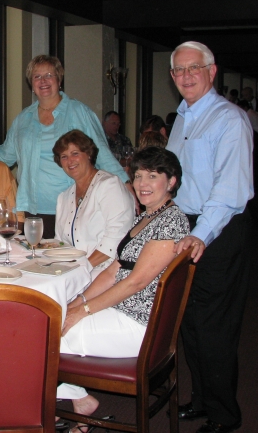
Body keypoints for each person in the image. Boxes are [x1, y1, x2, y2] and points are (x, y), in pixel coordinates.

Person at [57, 147, 189, 433]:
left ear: (171, 182)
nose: (142, 183)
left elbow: (135, 282)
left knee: (46, 335)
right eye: (139, 175)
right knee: (54, 316)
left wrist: (83, 311)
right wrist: (76, 301)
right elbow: (113, 271)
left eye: (153, 176)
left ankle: (38, 406)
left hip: (140, 325)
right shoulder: (144, 218)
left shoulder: (171, 222)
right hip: (119, 310)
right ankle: (79, 403)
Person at [167, 41, 253, 433]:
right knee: (190, 322)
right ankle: (202, 400)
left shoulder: (229, 119)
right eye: (179, 70)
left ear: (212, 71)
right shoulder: (182, 118)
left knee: (215, 327)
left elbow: (229, 192)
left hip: (216, 231)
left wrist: (198, 236)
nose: (186, 76)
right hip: (188, 228)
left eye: (194, 68)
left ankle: (224, 416)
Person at [0, 55, 130, 239]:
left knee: (67, 262)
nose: (43, 81)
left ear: (59, 80)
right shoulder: (23, 119)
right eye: (37, 76)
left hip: (74, 207)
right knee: (35, 262)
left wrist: (125, 184)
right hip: (32, 209)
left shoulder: (79, 112)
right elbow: (5, 154)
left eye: (49, 75)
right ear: (31, 83)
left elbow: (102, 153)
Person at [52, 130, 134, 277]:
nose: (70, 161)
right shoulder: (63, 197)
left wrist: (84, 268)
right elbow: (60, 243)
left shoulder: (109, 185)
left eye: (75, 153)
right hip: (74, 272)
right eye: (64, 156)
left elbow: (117, 236)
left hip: (107, 272)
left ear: (88, 154)